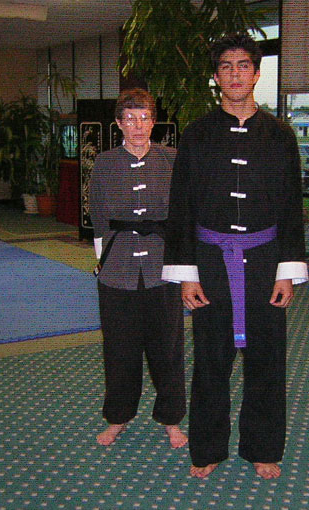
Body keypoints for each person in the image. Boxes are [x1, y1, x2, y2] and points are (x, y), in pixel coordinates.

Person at [162, 33, 307, 480]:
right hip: (210, 261)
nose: (235, 74)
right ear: (216, 76)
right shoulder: (196, 134)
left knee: (267, 361)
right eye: (226, 66)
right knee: (211, 360)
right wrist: (187, 274)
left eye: (243, 65)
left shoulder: (280, 136)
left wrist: (287, 271)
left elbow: (291, 205)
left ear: (257, 73)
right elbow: (181, 206)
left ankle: (263, 447)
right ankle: (207, 448)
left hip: (265, 261)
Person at [89, 88, 187, 449]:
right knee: (119, 349)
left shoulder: (173, 159)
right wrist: (102, 262)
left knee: (168, 349)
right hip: (118, 268)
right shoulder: (104, 163)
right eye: (130, 118)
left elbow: (184, 216)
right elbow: (98, 217)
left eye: (144, 118)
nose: (138, 126)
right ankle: (118, 417)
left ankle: (171, 420)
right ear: (118, 123)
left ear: (154, 121)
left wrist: (186, 268)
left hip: (163, 267)